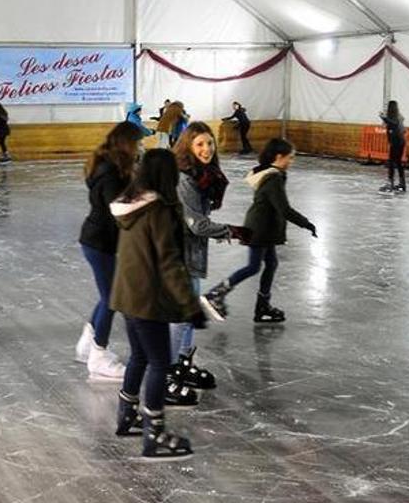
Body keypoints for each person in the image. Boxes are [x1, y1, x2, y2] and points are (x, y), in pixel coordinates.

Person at [109, 148, 201, 461]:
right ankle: (155, 433)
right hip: (148, 298)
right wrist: (190, 305)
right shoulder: (157, 210)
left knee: (139, 356)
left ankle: (126, 415)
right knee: (160, 362)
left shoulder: (131, 205)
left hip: (126, 295)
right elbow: (169, 262)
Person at [168, 122, 247, 398]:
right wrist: (233, 231)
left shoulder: (201, 174)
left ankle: (182, 364)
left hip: (192, 251)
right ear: (188, 146)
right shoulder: (185, 178)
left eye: (210, 143)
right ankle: (167, 374)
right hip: (178, 252)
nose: (206, 149)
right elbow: (197, 225)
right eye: (199, 144)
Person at [204, 138, 316, 323]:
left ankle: (262, 306)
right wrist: (306, 223)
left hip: (266, 228)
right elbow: (284, 209)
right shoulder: (273, 178)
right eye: (290, 157)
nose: (291, 161)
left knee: (271, 264)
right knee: (253, 267)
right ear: (279, 157)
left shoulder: (270, 173)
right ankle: (215, 294)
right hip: (260, 229)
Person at [76, 122, 145, 380]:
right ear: (126, 143)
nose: (140, 148)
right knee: (113, 298)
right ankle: (98, 355)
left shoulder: (108, 165)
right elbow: (120, 210)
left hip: (99, 240)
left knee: (109, 294)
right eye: (137, 143)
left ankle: (89, 342)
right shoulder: (110, 172)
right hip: (100, 242)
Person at [378, 100, 407, 193]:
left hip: (396, 142)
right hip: (400, 141)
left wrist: (383, 118)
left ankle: (391, 183)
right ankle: (402, 183)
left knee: (391, 162)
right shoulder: (398, 116)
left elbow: (394, 123)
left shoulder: (395, 117)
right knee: (398, 162)